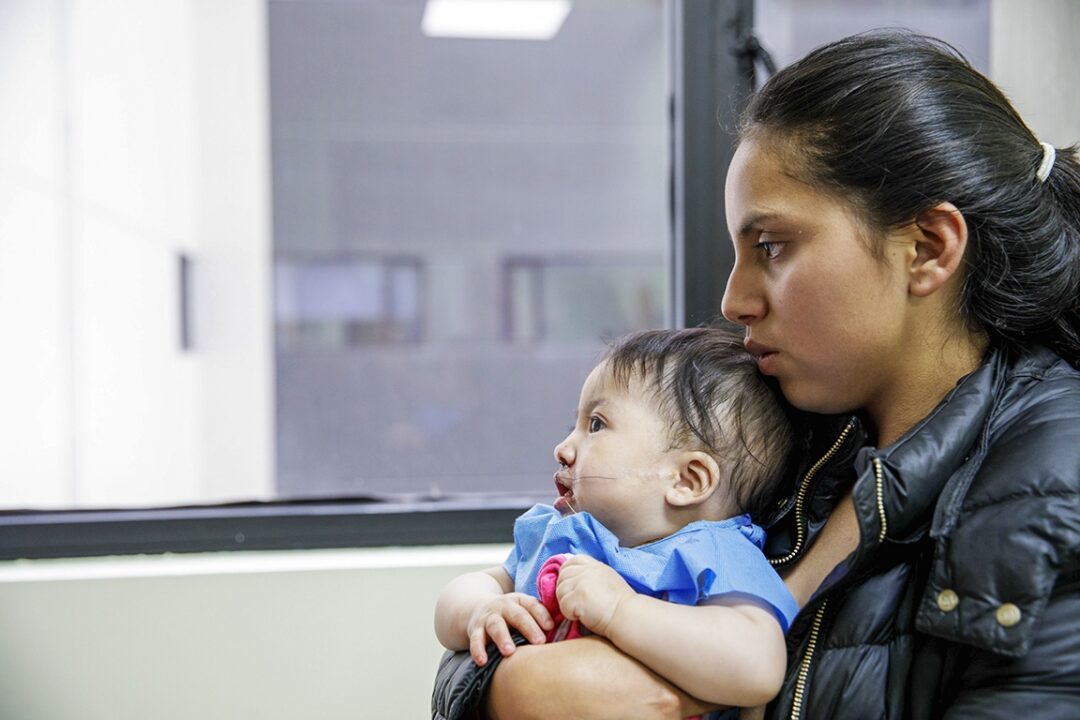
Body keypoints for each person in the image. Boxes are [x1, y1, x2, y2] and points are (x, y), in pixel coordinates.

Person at [432, 30, 1080, 719]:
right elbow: (480, 658)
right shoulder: (778, 426)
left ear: (926, 248)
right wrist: (507, 681)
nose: (733, 301)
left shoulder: (1046, 488)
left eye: (770, 246)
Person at [434, 327, 799, 712]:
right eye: (573, 426)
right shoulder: (559, 535)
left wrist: (620, 610)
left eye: (596, 425)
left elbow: (758, 666)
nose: (563, 448)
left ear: (687, 479)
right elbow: (462, 596)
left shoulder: (715, 552)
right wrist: (480, 609)